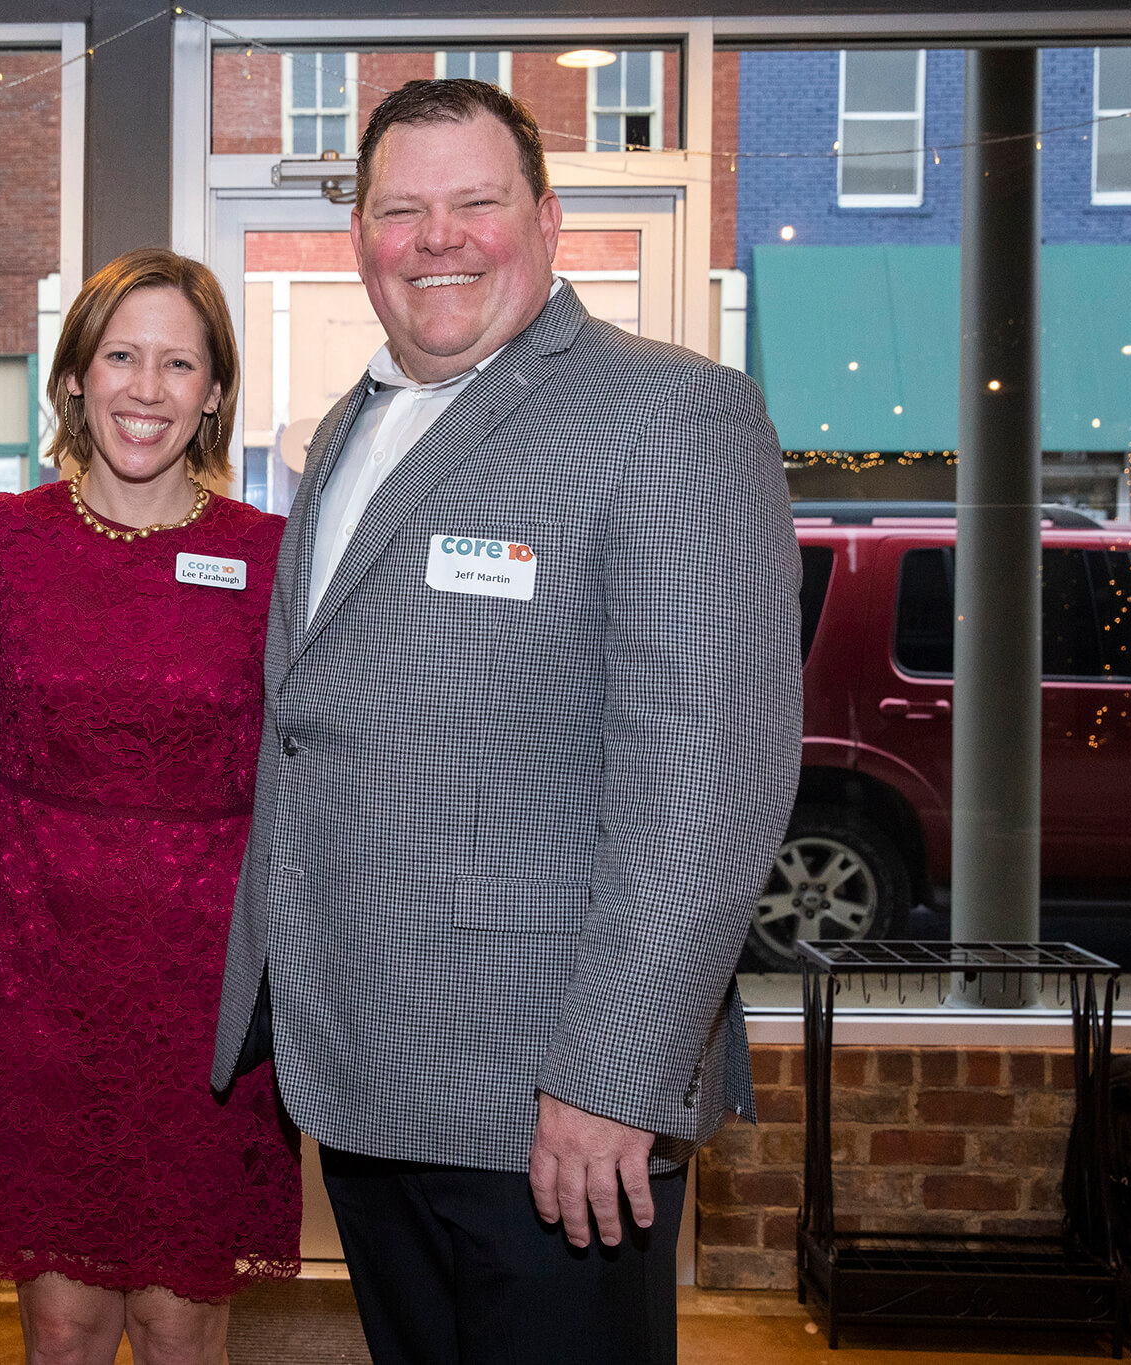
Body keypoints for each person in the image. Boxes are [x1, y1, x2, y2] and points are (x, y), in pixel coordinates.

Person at [210, 79, 803, 1364]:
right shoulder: (350, 424)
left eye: (475, 203)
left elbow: (707, 786)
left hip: (551, 1107)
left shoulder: (667, 416)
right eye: (400, 210)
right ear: (357, 238)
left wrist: (610, 1077)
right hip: (366, 1075)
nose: (437, 238)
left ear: (544, 220)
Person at [0, 248, 300, 1365]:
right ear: (74, 378)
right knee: (62, 1328)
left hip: (201, 988)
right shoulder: (2, 542)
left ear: (213, 392)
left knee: (180, 1327)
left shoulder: (270, 558)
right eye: (121, 357)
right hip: (36, 971)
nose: (146, 389)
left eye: (177, 364)